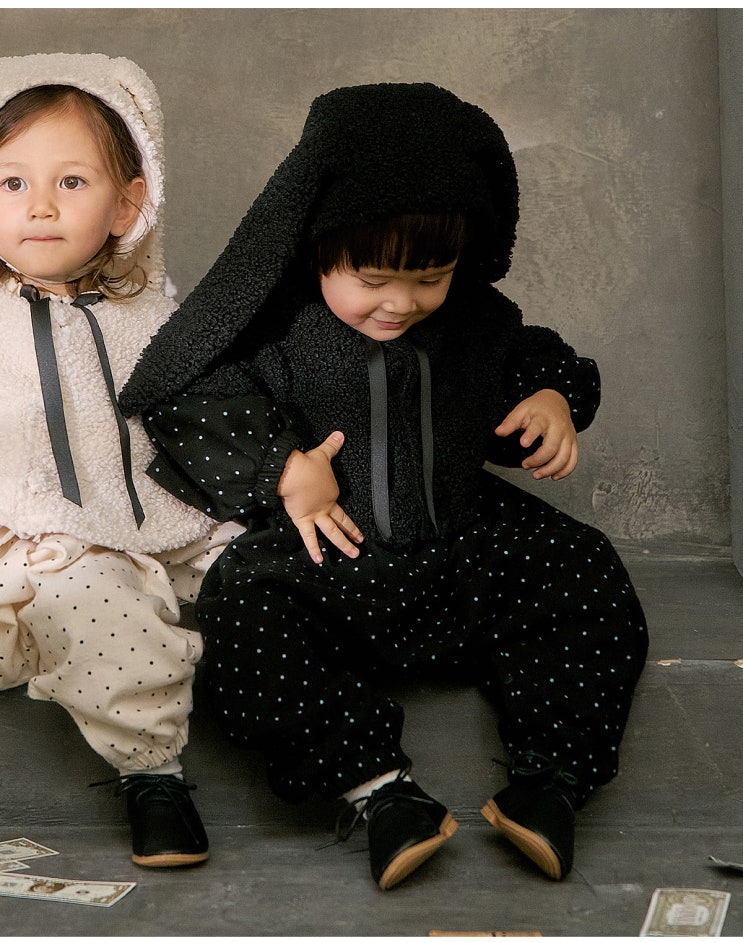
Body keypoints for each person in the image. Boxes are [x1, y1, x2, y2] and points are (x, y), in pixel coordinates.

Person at [120, 82, 649, 888]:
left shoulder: (472, 320)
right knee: (244, 609)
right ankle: (381, 792)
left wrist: (550, 398)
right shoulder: (281, 327)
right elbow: (189, 395)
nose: (400, 303)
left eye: (430, 276)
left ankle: (549, 779)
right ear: (317, 248)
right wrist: (282, 466)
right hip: (338, 559)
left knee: (583, 568)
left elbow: (534, 357)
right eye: (371, 280)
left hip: (465, 547)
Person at [0, 53, 242, 868]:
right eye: (11, 183)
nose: (38, 206)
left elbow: (210, 417)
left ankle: (360, 774)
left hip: (160, 520)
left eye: (71, 182)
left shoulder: (153, 312)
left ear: (128, 203)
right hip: (28, 541)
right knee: (88, 592)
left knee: (272, 572)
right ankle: (153, 772)